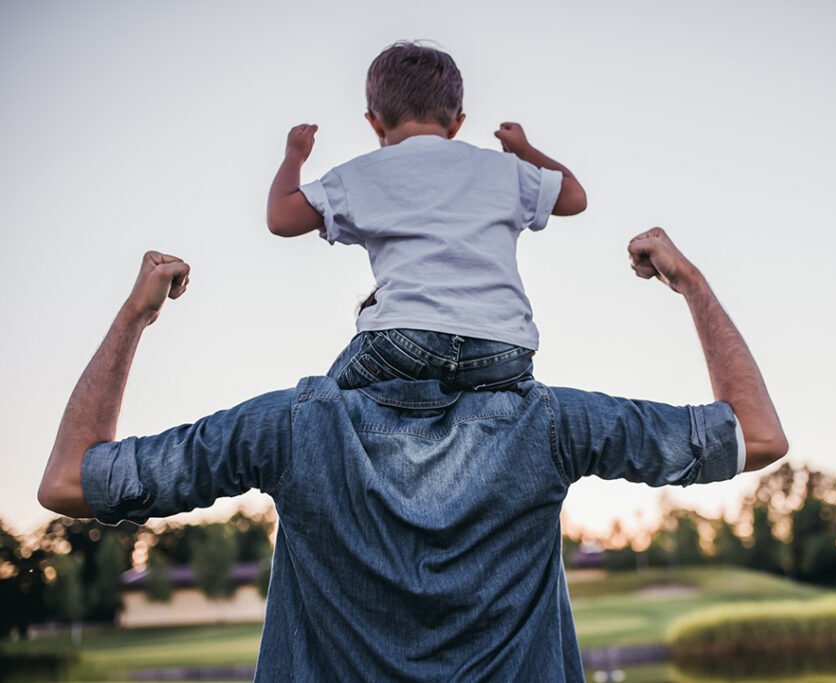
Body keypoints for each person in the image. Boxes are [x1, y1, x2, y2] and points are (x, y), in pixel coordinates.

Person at [38, 228, 787, 681]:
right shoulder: (550, 424)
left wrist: (137, 314)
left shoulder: (290, 428)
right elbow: (757, 435)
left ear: (366, 328)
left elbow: (70, 479)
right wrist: (689, 281)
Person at [265, 41, 587, 392]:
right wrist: (524, 150)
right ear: (457, 123)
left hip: (405, 341)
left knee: (322, 405)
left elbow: (281, 218)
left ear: (374, 123)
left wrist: (294, 156)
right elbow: (575, 197)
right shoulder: (502, 169)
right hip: (504, 349)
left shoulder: (363, 173)